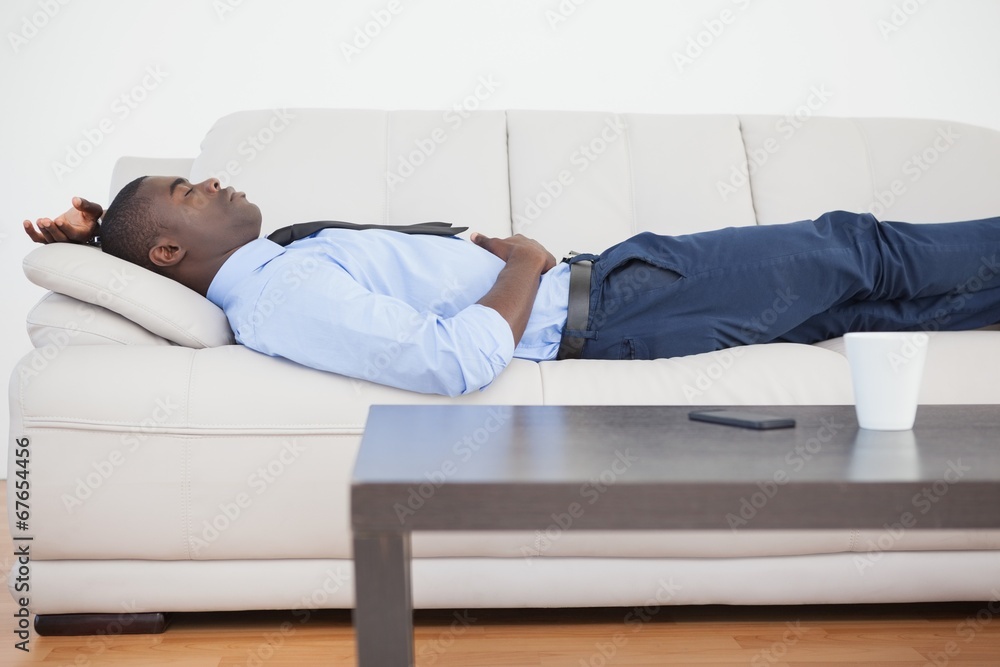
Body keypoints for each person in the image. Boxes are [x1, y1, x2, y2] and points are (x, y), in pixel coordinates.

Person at [23, 176, 1000, 396]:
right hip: (614, 301)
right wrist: (526, 261)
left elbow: (145, 245)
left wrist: (102, 233)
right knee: (859, 249)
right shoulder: (279, 299)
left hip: (619, 291)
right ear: (168, 251)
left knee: (873, 305)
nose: (214, 183)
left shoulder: (273, 268)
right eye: (189, 192)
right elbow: (450, 363)